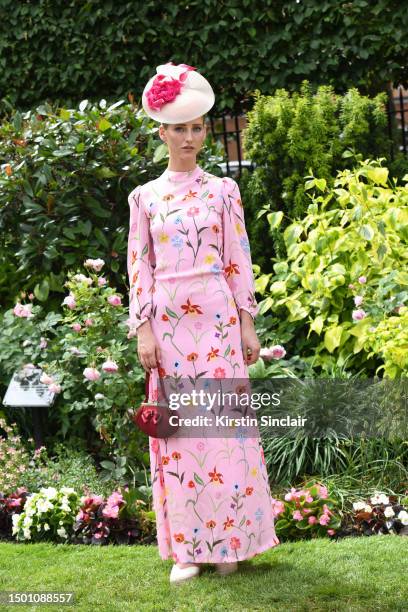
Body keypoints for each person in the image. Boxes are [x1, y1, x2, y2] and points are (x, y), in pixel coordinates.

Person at [127, 62, 280, 584]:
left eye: (197, 127)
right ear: (162, 132)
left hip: (216, 318)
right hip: (168, 324)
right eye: (179, 128)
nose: (189, 137)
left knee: (222, 435)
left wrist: (247, 323)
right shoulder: (144, 198)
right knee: (180, 438)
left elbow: (238, 258)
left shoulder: (223, 192)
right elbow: (138, 265)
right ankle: (189, 550)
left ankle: (232, 542)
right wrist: (144, 327)